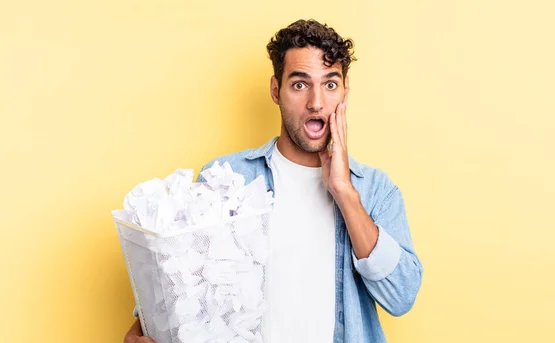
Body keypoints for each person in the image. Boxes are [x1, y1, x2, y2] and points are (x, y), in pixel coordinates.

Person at [124, 19, 423, 343]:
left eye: (330, 85)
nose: (317, 102)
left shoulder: (375, 190)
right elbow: (175, 290)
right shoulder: (226, 178)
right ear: (275, 90)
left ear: (345, 93)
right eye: (299, 84)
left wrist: (343, 191)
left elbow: (401, 296)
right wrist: (143, 330)